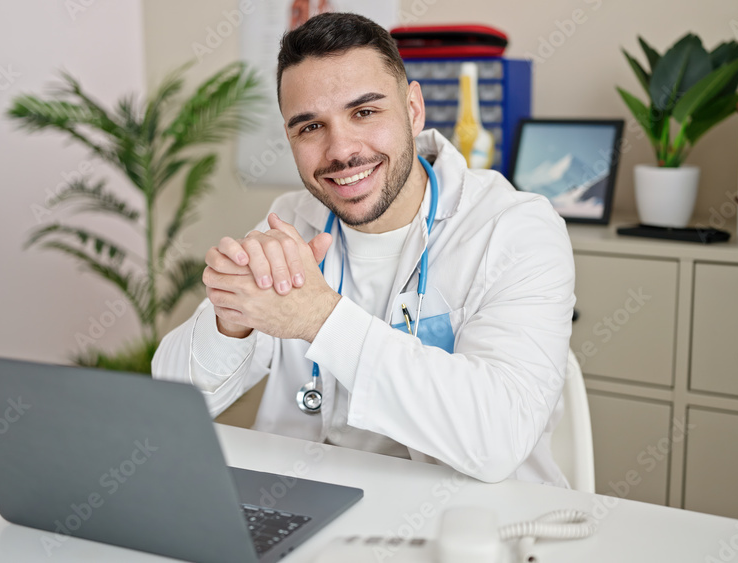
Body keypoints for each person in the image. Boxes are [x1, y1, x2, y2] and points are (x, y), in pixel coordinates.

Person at [152, 12, 576, 486]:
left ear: (413, 109)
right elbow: (175, 397)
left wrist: (318, 318)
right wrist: (230, 321)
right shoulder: (292, 221)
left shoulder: (514, 229)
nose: (340, 151)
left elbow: (497, 440)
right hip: (303, 507)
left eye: (365, 112)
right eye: (310, 127)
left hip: (467, 527)